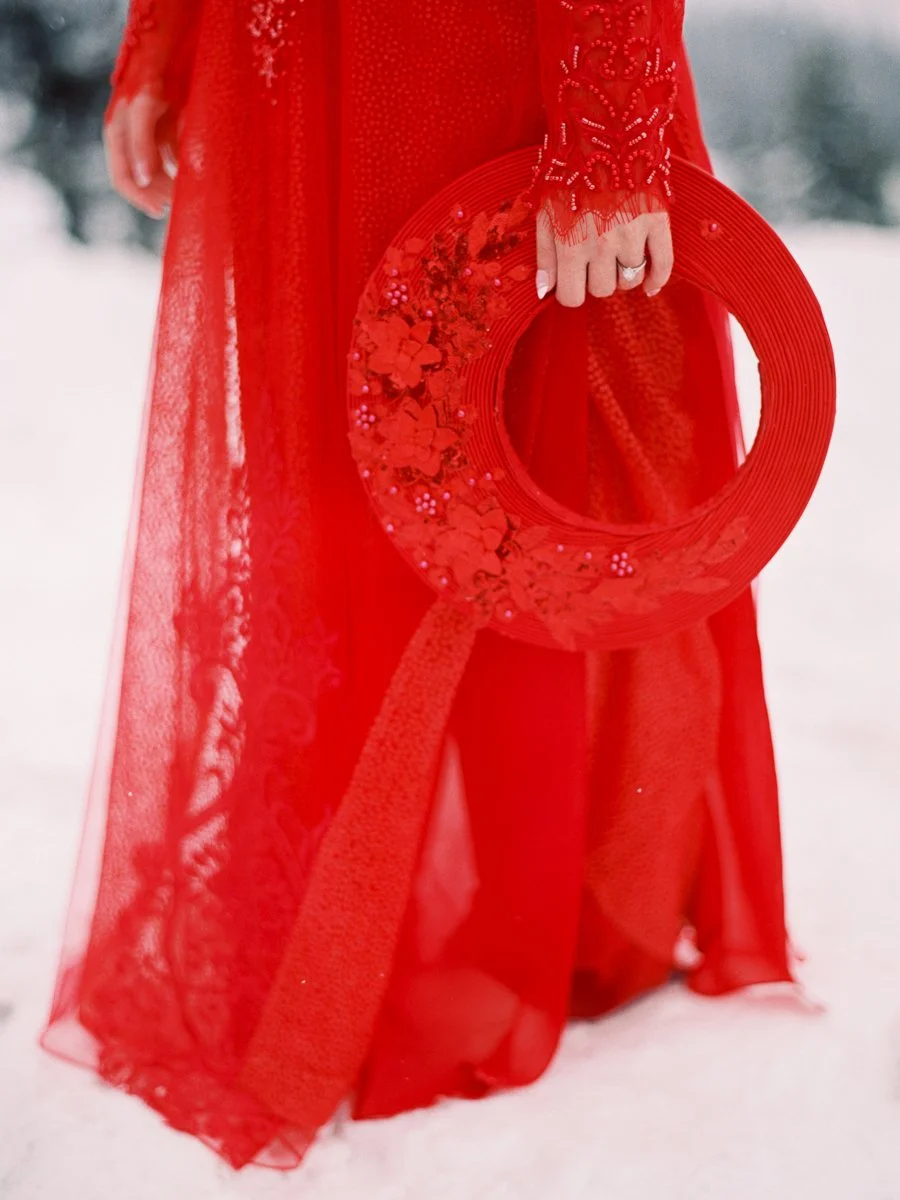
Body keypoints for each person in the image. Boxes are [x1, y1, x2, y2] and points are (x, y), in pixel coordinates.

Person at [40, 0, 798, 1172]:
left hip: (462, 44)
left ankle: (532, 926)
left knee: (515, 472)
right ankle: (348, 940)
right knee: (331, 473)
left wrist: (606, 111)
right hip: (281, 52)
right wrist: (165, 31)